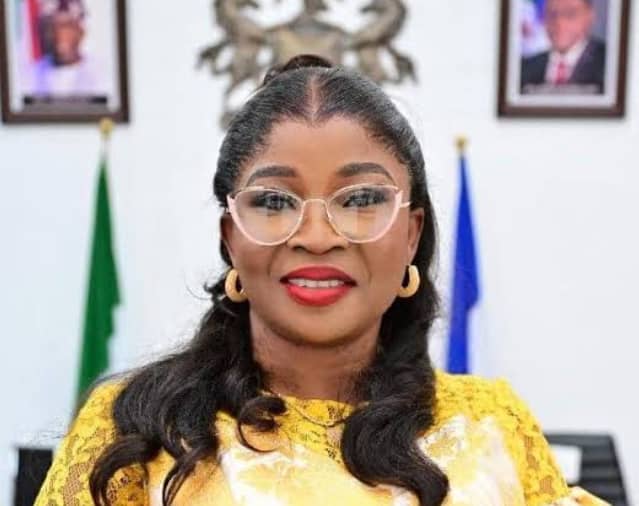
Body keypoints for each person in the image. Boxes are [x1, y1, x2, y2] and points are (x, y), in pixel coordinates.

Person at [35, 55, 608, 505]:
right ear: (230, 237)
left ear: (411, 235)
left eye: (359, 199)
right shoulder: (133, 433)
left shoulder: (492, 426)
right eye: (274, 201)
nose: (316, 236)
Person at [520, 0, 606, 94]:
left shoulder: (608, 63)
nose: (559, 22)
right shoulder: (523, 69)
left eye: (570, 14)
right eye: (552, 14)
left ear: (590, 16)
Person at [23, 0, 101, 97]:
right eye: (51, 27)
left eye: (65, 26)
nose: (58, 34)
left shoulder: (102, 74)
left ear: (80, 31)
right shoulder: (30, 76)